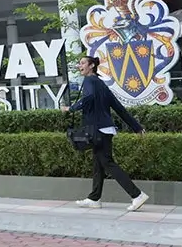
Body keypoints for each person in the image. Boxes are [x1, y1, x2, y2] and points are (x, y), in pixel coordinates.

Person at [62, 55, 149, 212]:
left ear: (91, 66)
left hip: (97, 130)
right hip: (105, 130)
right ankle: (94, 198)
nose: (79, 66)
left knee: (107, 163)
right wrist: (136, 127)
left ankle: (137, 195)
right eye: (79, 63)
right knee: (98, 164)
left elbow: (88, 98)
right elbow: (118, 107)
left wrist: (71, 108)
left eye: (82, 63)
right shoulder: (101, 84)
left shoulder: (89, 81)